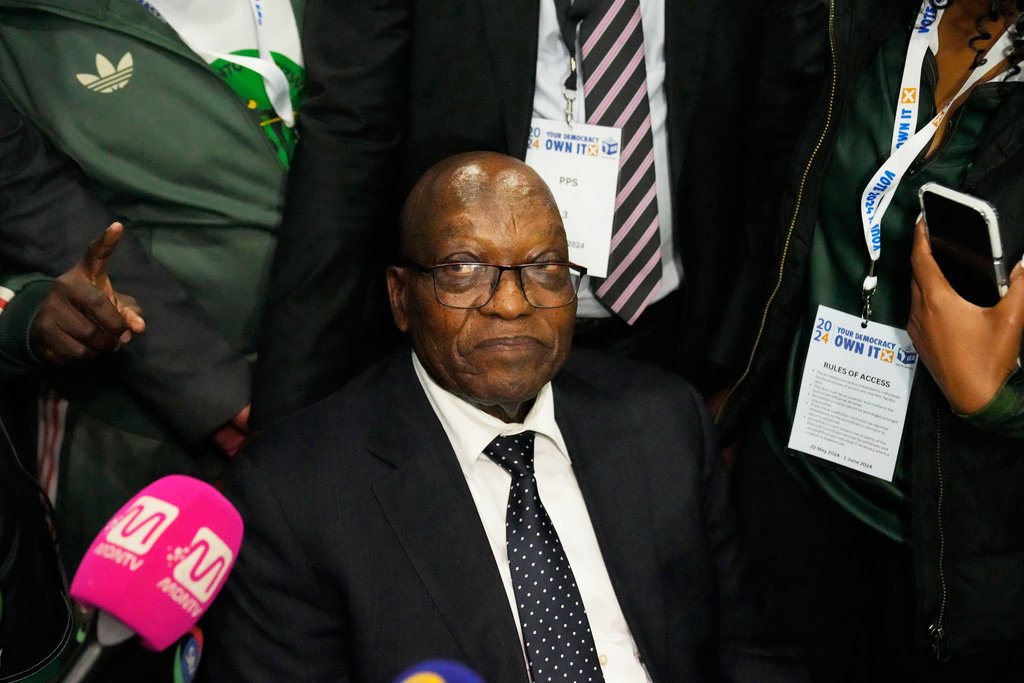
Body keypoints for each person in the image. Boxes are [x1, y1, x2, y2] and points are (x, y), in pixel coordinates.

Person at [203, 152, 804, 682]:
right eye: (464, 268)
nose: (513, 304)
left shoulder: (663, 420)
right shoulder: (298, 490)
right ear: (400, 296)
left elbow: (748, 650)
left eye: (544, 267)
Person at [249, 0, 816, 429]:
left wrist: (740, 371)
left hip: (671, 346)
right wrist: (290, 404)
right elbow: (347, 146)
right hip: (460, 346)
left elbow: (777, 143)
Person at [717, 0, 1024, 679]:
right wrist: (732, 394)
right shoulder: (855, 17)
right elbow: (774, 220)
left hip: (949, 555)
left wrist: (992, 400)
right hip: (790, 478)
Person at [0, 0, 304, 570]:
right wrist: (216, 391)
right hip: (148, 424)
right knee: (147, 651)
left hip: (362, 387)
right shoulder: (23, 26)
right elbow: (38, 208)